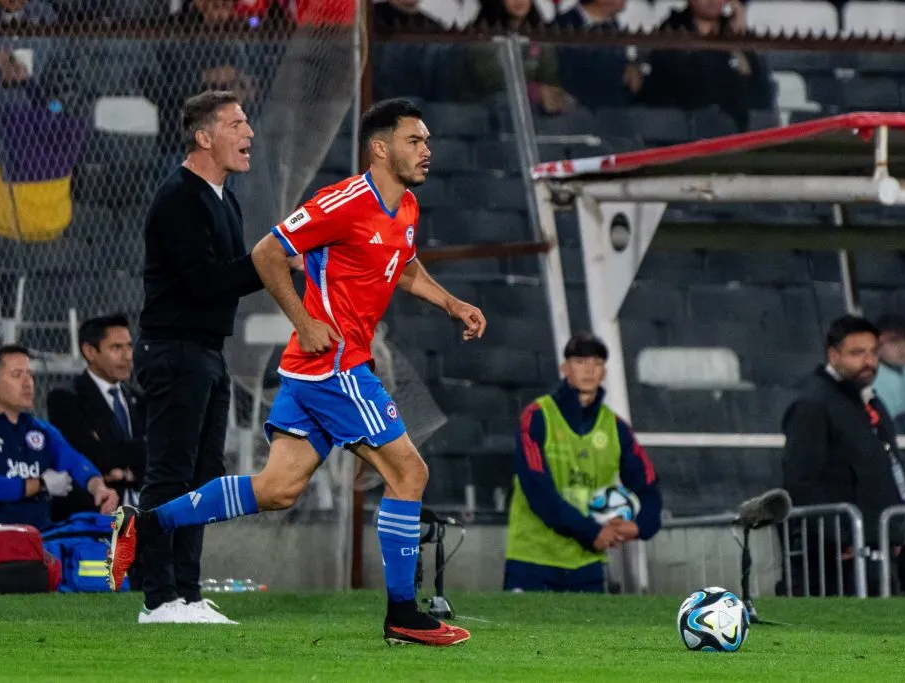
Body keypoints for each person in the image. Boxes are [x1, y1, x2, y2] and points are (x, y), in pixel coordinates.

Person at [107, 99, 486, 646]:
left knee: (278, 488)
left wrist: (452, 304)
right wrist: (305, 320)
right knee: (410, 474)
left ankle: (145, 525)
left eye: (427, 141)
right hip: (335, 362)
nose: (426, 151)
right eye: (414, 141)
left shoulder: (405, 209)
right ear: (380, 148)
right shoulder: (344, 200)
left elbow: (402, 264)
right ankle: (403, 613)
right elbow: (267, 252)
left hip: (313, 369)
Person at [128, 90, 265, 625]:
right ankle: (157, 598)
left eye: (247, 121)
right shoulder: (180, 197)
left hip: (207, 353)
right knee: (170, 475)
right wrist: (271, 261)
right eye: (236, 123)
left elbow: (229, 273)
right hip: (174, 351)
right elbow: (206, 281)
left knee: (203, 476)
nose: (248, 132)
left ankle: (186, 593)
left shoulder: (223, 198)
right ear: (203, 136)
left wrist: (268, 263)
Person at [505, 333, 662, 593]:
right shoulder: (537, 416)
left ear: (604, 372)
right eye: (580, 361)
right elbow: (537, 489)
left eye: (597, 362)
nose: (589, 369)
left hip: (587, 566)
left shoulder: (616, 427)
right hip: (533, 561)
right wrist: (591, 531)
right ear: (564, 368)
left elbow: (648, 484)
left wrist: (640, 525)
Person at [781, 315, 905, 596]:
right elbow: (800, 482)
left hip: (878, 550)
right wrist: (841, 537)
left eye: (873, 352)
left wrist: (896, 530)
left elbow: (887, 469)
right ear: (834, 355)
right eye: (857, 352)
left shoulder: (869, 402)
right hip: (835, 564)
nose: (869, 361)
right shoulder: (813, 405)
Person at [0, 345, 118, 531]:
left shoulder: (43, 431)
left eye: (29, 374)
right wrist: (42, 484)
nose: (28, 382)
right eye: (17, 375)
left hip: (39, 538)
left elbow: (75, 462)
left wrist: (98, 487)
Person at [46, 314, 146, 522]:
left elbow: (157, 454)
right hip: (92, 515)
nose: (128, 356)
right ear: (90, 351)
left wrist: (122, 470)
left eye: (129, 346)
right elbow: (91, 456)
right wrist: (138, 453)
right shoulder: (66, 398)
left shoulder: (139, 399)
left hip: (142, 512)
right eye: (116, 348)